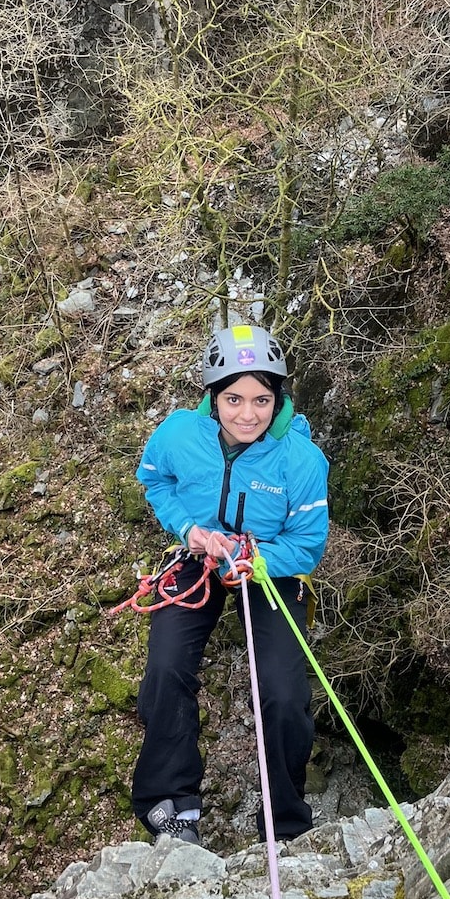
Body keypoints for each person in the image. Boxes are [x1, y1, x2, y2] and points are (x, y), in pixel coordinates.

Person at [131, 324, 329, 845]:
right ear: (212, 397)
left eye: (262, 399)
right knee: (165, 667)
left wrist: (254, 555)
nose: (247, 414)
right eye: (234, 398)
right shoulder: (178, 435)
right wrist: (187, 529)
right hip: (198, 556)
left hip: (269, 567)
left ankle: (286, 822)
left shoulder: (301, 461)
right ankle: (170, 806)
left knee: (283, 692)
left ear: (279, 397)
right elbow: (154, 478)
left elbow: (307, 545)